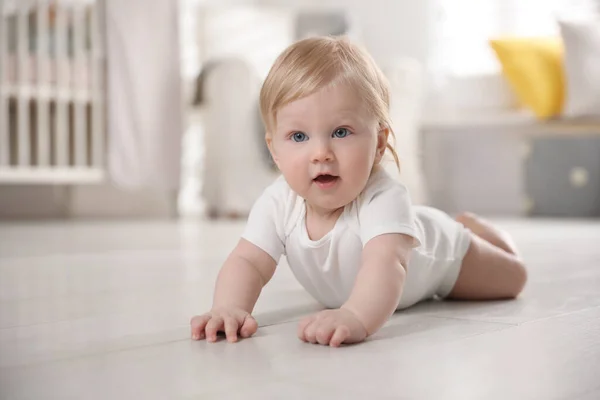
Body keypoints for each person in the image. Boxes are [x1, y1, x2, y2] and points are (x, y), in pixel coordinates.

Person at [190, 36, 527, 347]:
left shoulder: (384, 198)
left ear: (378, 143)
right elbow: (249, 261)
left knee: (513, 279)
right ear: (274, 149)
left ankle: (477, 230)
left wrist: (355, 315)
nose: (320, 152)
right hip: (398, 252)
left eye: (340, 132)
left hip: (444, 254)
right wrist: (228, 307)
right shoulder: (278, 202)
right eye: (298, 137)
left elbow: (386, 264)